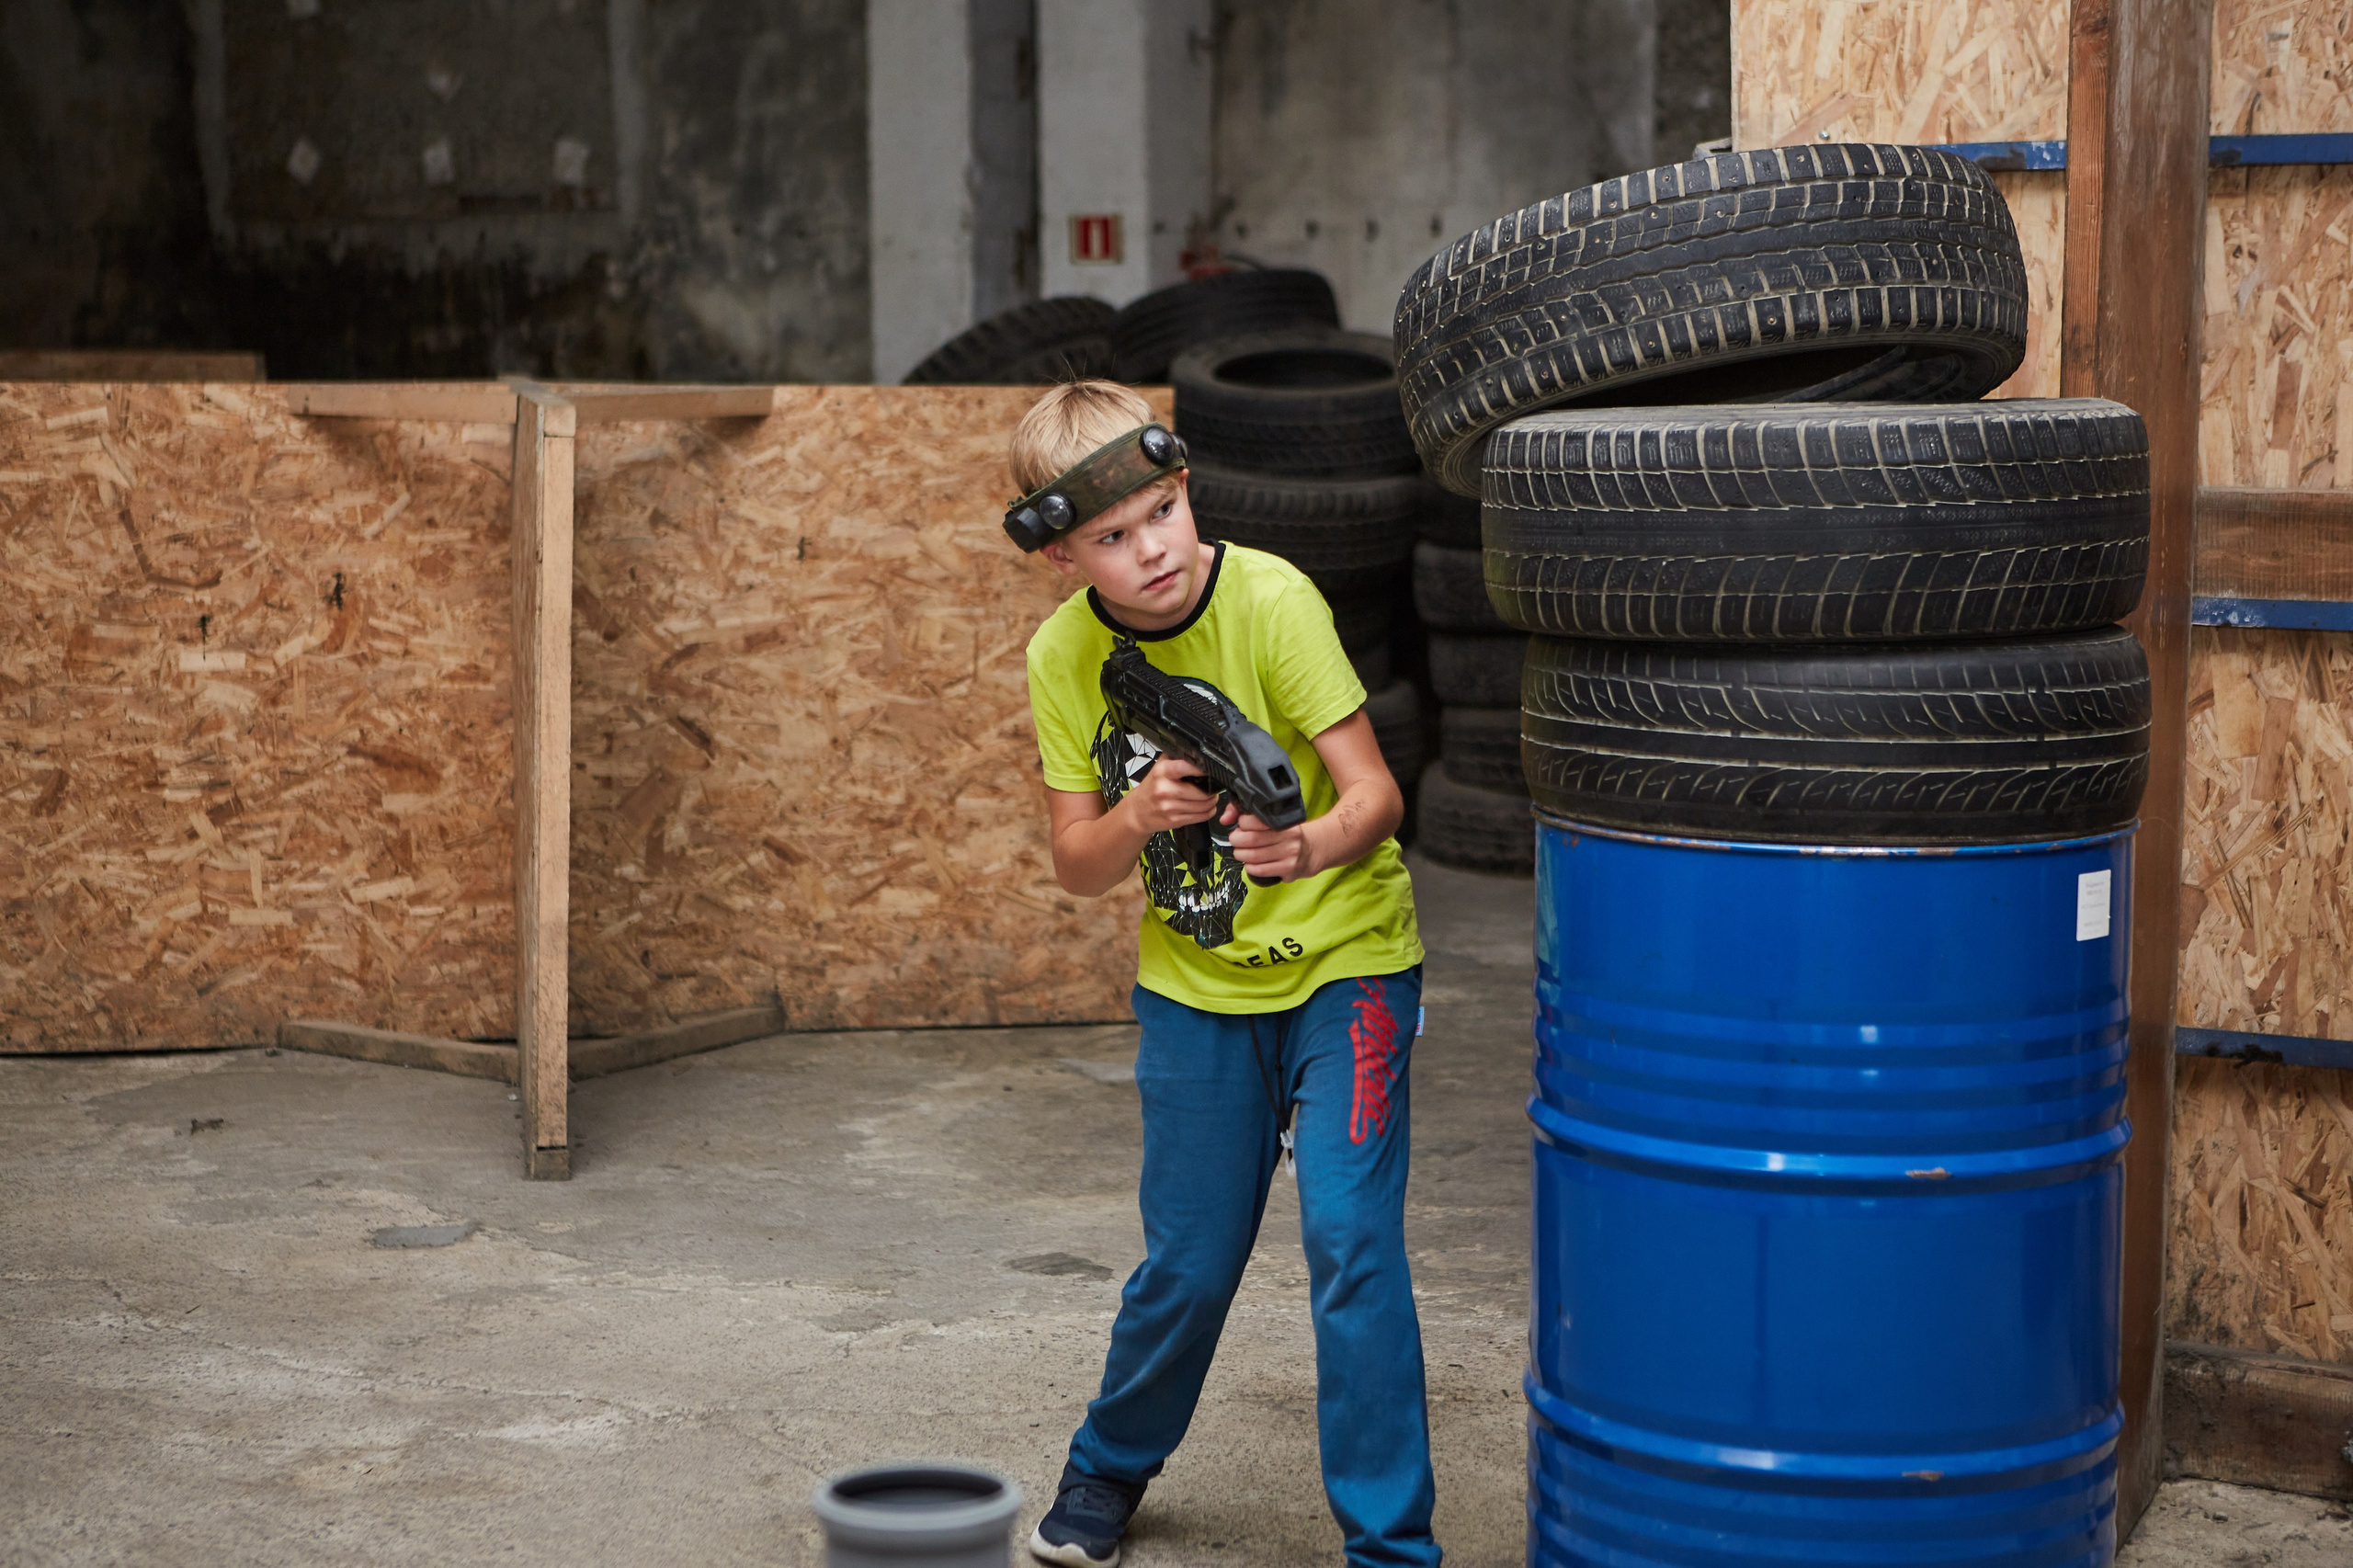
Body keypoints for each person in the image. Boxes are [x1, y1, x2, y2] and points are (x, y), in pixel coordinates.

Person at [1006, 381, 1438, 1568]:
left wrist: (1308, 846)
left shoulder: (1272, 599)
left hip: (1349, 965)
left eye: (1161, 512)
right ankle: (1107, 1467)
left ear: (1184, 486)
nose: (1152, 549)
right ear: (1061, 558)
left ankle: (1392, 1545)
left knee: (1351, 1241)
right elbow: (1078, 865)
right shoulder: (1063, 654)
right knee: (1189, 1266)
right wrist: (1139, 813)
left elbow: (1377, 795)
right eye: (1113, 537)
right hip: (1197, 991)